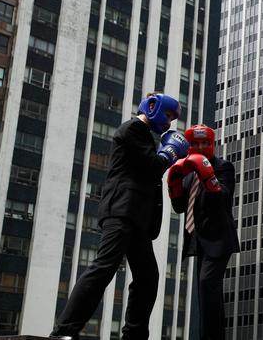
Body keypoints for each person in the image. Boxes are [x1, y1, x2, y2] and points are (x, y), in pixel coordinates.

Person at [50, 93, 189, 340]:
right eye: (167, 115)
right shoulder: (133, 128)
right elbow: (153, 167)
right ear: (154, 108)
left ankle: (134, 335)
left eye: (172, 118)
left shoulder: (145, 135)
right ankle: (63, 332)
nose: (169, 122)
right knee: (103, 267)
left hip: (137, 218)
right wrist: (170, 152)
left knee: (148, 278)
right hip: (123, 211)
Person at [166, 124, 239, 340]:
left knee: (207, 284)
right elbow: (180, 208)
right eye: (196, 143)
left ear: (211, 143)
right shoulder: (187, 174)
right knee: (205, 291)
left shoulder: (224, 167)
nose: (200, 146)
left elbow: (224, 198)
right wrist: (174, 183)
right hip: (198, 240)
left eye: (204, 142)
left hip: (218, 238)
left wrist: (208, 175)